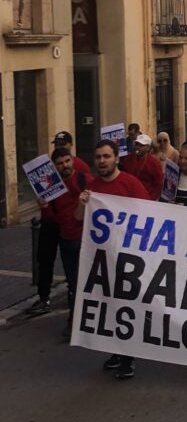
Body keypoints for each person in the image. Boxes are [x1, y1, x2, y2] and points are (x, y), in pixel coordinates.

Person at [76, 140, 150, 380]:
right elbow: (79, 219)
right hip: (101, 260)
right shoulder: (92, 187)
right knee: (108, 307)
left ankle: (129, 357)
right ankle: (117, 351)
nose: (102, 161)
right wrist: (82, 204)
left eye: (106, 156)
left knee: (126, 307)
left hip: (128, 260)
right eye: (98, 157)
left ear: (117, 158)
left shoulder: (130, 184)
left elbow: (149, 217)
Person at [26, 131, 91, 316]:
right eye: (57, 144)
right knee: (44, 260)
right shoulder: (48, 170)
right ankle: (44, 298)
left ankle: (77, 311)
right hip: (52, 223)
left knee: (74, 270)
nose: (60, 147)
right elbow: (48, 202)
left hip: (73, 228)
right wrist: (44, 206)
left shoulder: (81, 169)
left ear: (71, 146)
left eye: (63, 144)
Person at [35, 147, 92, 337]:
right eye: (59, 163)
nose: (64, 165)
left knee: (90, 282)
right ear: (54, 166)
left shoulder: (84, 179)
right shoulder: (52, 188)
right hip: (67, 241)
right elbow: (52, 217)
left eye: (67, 161)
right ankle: (74, 323)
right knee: (73, 284)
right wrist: (44, 207)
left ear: (72, 160)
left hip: (87, 240)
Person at [120, 134, 164, 201]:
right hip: (128, 198)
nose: (138, 147)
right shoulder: (127, 159)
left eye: (141, 145)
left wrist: (151, 199)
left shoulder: (154, 163)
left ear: (148, 148)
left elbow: (158, 184)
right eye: (137, 144)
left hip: (146, 199)